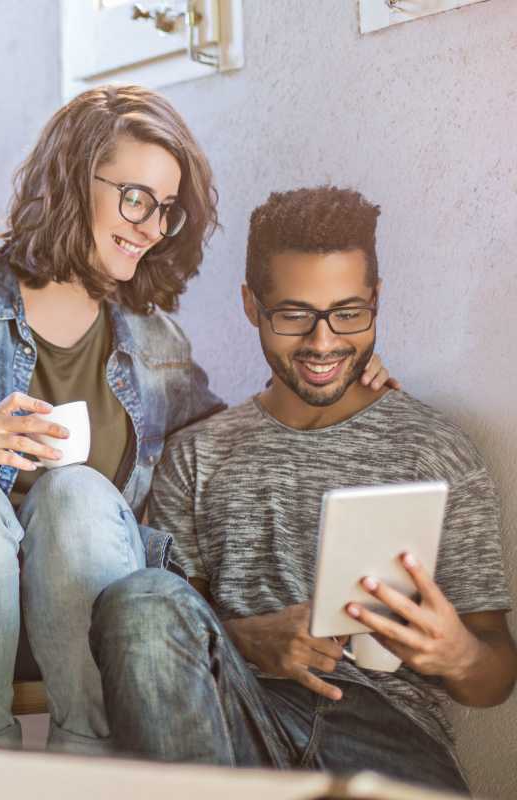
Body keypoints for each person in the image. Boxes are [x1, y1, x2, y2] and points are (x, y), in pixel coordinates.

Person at [0, 87, 393, 754]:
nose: (151, 227)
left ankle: (83, 758)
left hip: (70, 621)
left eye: (167, 211)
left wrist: (345, 377)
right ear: (69, 179)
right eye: (136, 198)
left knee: (80, 491)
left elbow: (224, 447)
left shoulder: (155, 340)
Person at [90, 186, 516, 792]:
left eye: (348, 313)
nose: (323, 343)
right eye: (294, 315)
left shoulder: (434, 450)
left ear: (376, 301)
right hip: (239, 724)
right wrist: (247, 642)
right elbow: (164, 636)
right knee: (138, 597)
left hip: (388, 734)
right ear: (251, 304)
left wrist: (459, 655)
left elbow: (496, 674)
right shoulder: (199, 455)